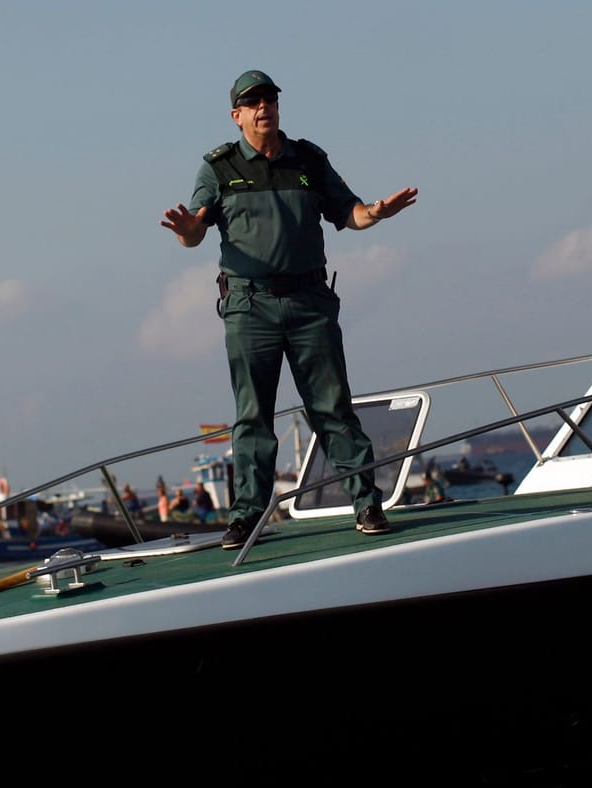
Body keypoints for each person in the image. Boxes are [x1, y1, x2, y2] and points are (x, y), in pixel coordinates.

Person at [161, 68, 417, 550]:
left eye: (271, 100)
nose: (265, 108)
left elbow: (351, 213)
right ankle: (247, 517)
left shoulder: (309, 159)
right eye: (253, 103)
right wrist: (183, 229)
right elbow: (195, 232)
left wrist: (377, 212)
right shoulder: (217, 168)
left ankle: (366, 503)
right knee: (253, 415)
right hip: (248, 306)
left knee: (333, 406)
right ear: (237, 115)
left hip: (308, 302)